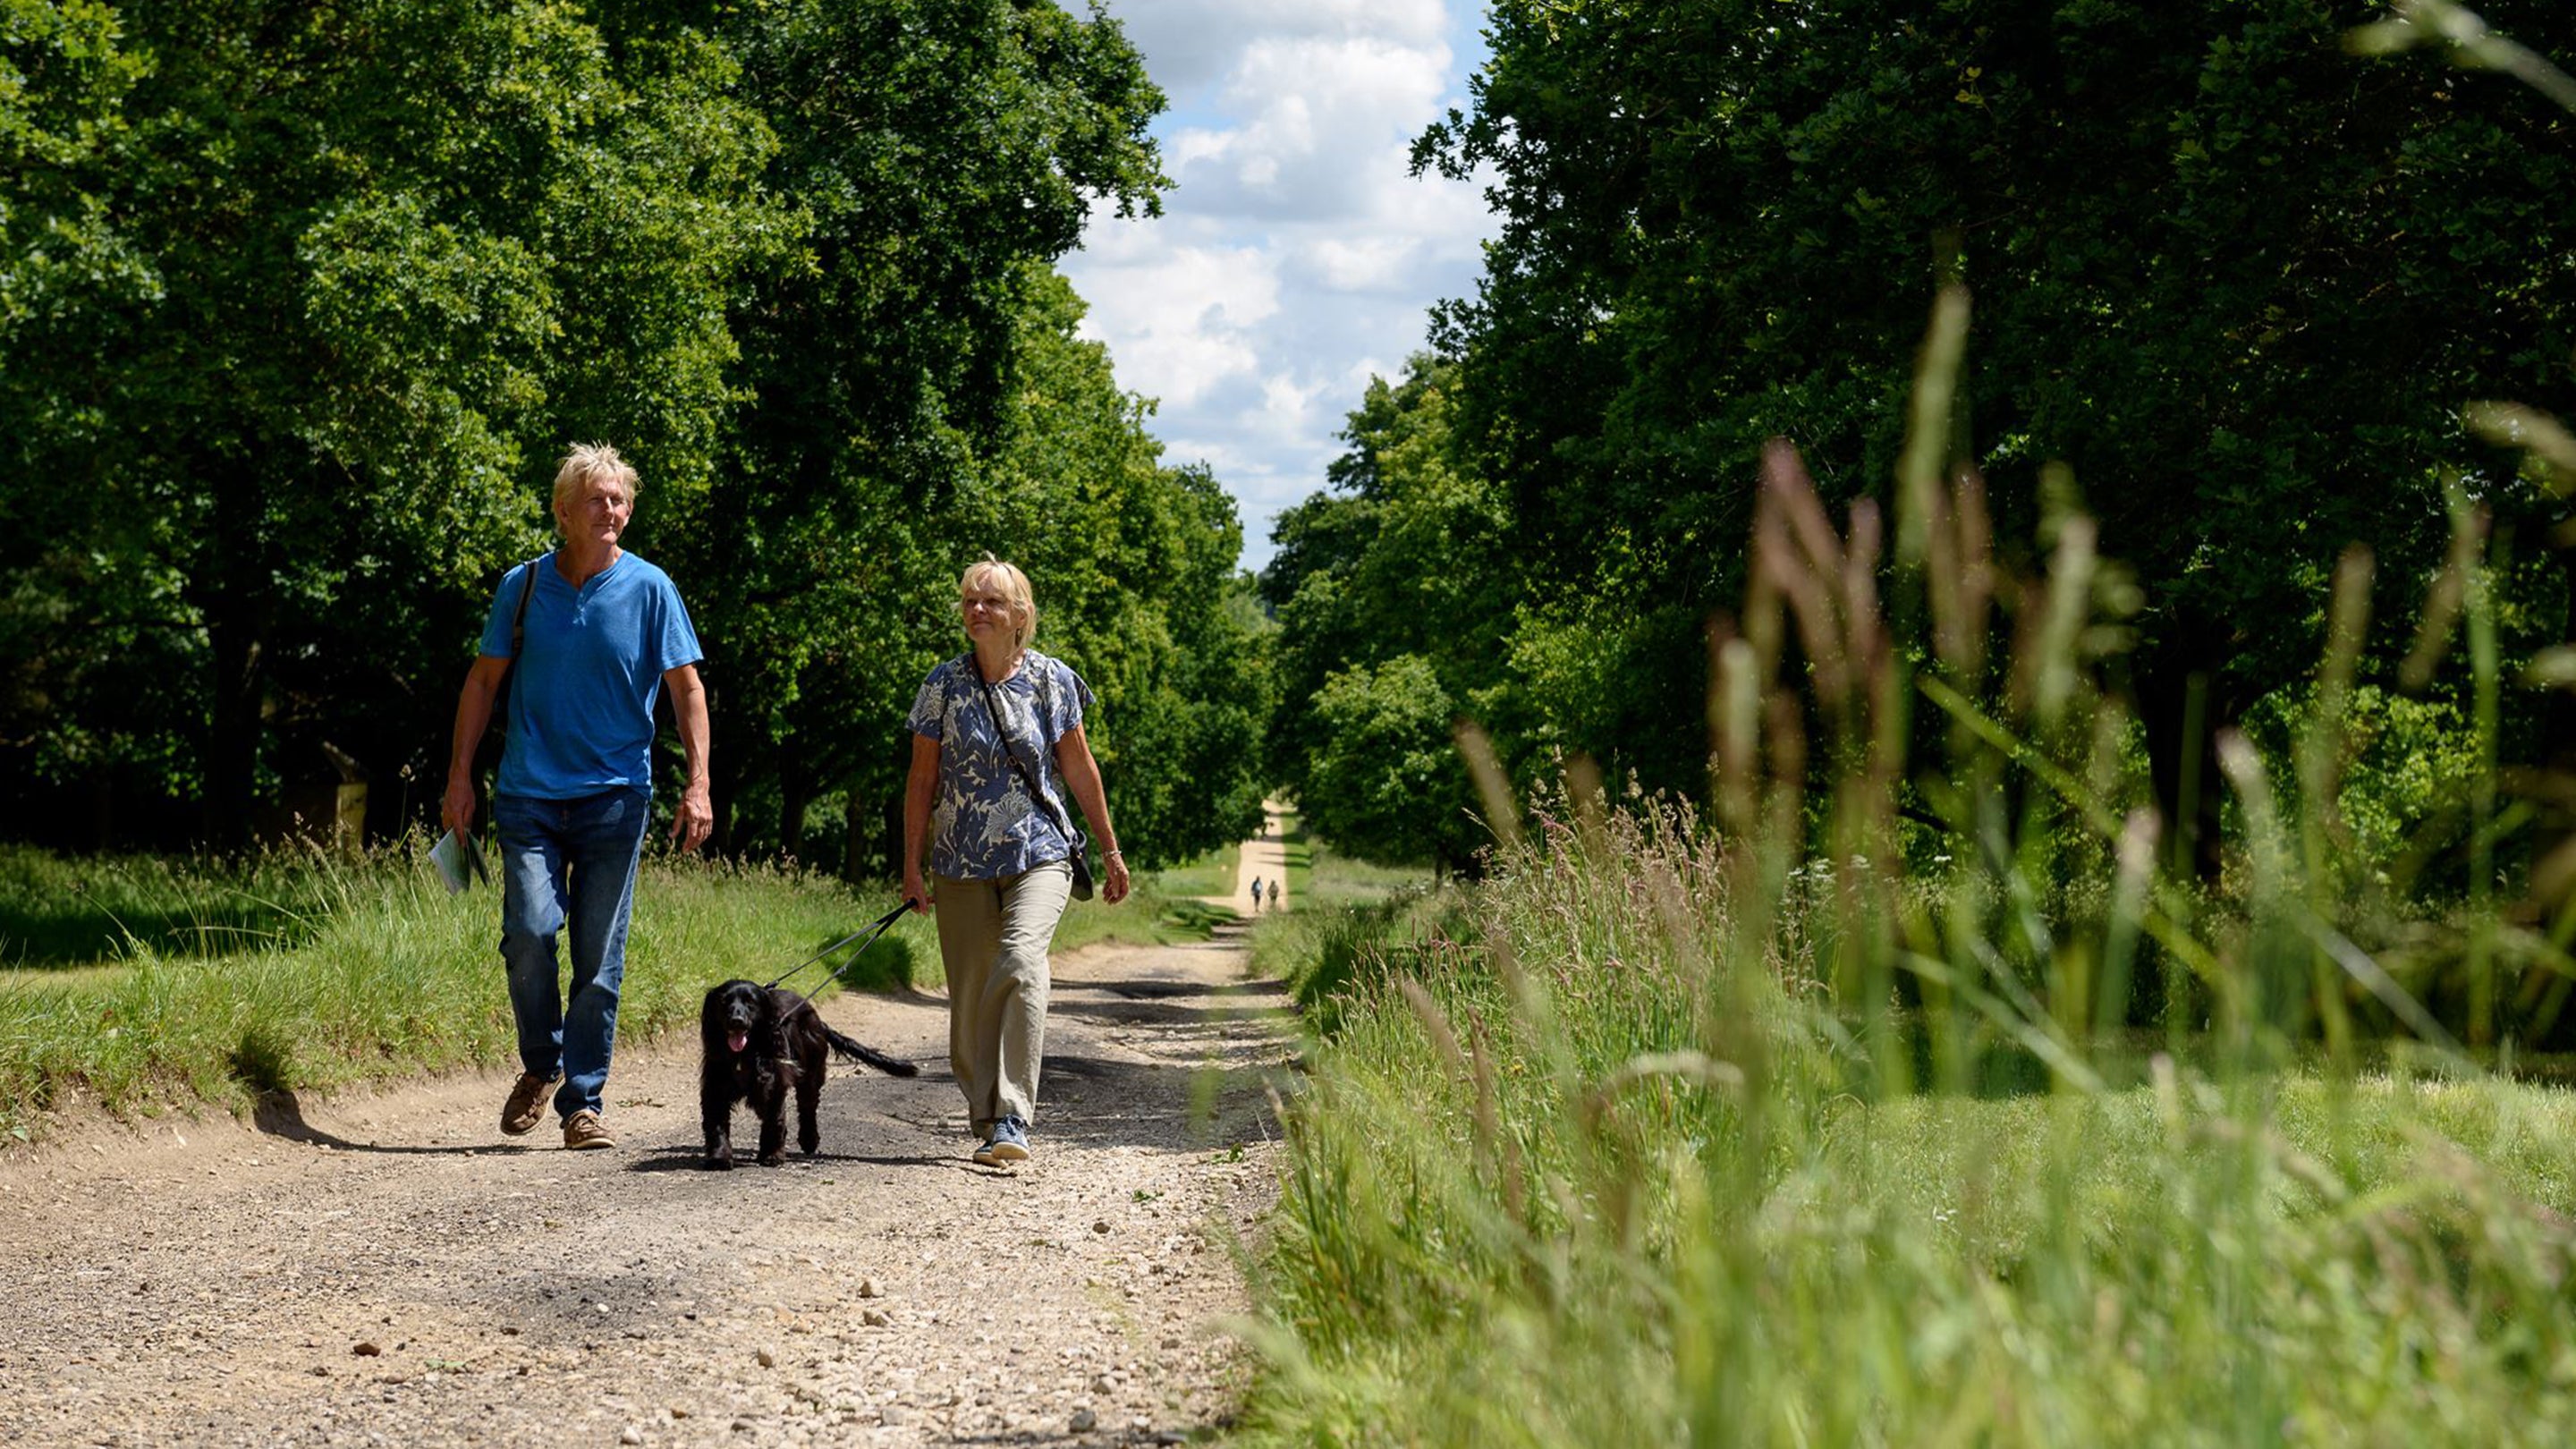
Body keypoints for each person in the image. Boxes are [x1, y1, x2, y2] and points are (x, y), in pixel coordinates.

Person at [443, 444, 712, 1151]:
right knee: (530, 934)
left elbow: (687, 690)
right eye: (598, 499)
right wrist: (460, 777)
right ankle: (542, 1062)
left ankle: (582, 1102)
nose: (613, 510)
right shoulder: (523, 586)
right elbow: (481, 684)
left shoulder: (652, 588)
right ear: (564, 512)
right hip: (529, 794)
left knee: (598, 959)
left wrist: (699, 782)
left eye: (621, 499)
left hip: (617, 800)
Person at [902, 557, 1129, 1166]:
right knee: (971, 995)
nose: (978, 610)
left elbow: (1079, 767)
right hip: (959, 858)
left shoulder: (1053, 681)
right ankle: (985, 1112)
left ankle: (1011, 1118)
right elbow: (921, 780)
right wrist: (911, 866)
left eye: (992, 602)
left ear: (1020, 615)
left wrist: (1108, 848)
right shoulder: (942, 685)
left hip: (1040, 850)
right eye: (970, 600)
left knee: (1023, 960)